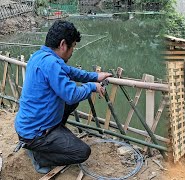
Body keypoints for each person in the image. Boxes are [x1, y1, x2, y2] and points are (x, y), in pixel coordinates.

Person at [14, 20, 112, 174]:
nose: (73, 50)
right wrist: (93, 86)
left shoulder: (40, 55)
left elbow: (70, 72)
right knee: (82, 152)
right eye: (73, 46)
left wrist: (95, 76)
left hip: (27, 126)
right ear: (63, 45)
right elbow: (72, 94)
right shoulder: (51, 64)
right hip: (35, 133)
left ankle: (51, 136)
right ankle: (40, 157)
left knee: (70, 104)